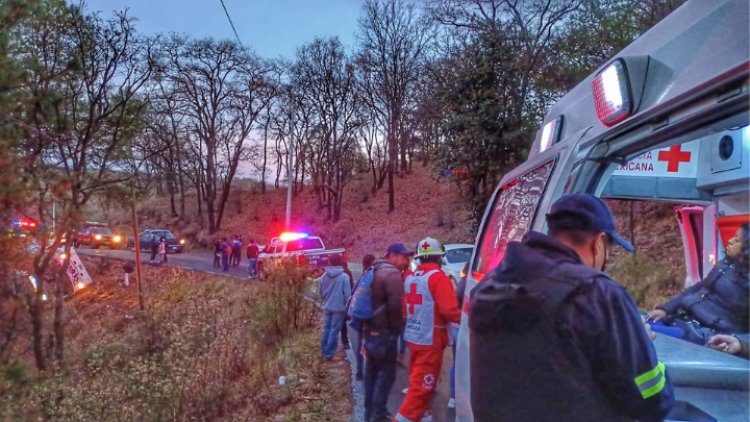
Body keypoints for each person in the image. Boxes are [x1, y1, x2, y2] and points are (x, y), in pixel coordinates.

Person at [469, 194, 674, 422]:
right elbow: (653, 400)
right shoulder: (598, 293)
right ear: (598, 243)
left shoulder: (492, 284)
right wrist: (641, 342)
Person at [648, 223, 749, 345]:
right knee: (634, 323)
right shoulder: (726, 263)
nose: (731, 241)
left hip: (702, 334)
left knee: (640, 333)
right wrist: (667, 308)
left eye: (737, 240)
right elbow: (700, 287)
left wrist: (740, 343)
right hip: (681, 319)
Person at [395, 237, 460, 422]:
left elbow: (404, 309)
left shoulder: (411, 278)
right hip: (430, 341)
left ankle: (425, 416)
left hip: (414, 337)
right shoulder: (438, 278)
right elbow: (449, 311)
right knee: (420, 390)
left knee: (420, 384)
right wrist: (468, 318)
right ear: (438, 257)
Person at [364, 243, 414, 422]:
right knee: (387, 374)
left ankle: (368, 413)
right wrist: (395, 331)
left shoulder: (374, 268)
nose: (406, 261)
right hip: (384, 334)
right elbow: (395, 306)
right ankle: (378, 415)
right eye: (403, 256)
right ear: (392, 255)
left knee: (371, 374)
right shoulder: (392, 274)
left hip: (370, 332)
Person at [318, 254, 352, 361]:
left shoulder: (324, 276)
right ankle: (329, 355)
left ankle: (324, 351)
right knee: (334, 331)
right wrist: (347, 307)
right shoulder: (344, 277)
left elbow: (321, 292)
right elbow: (347, 295)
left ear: (329, 261)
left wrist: (326, 300)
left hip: (327, 306)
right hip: (339, 308)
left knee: (327, 329)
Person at [350, 254, 376, 380]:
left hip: (357, 315)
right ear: (372, 262)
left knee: (360, 342)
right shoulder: (373, 274)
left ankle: (359, 370)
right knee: (370, 344)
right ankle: (370, 371)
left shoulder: (363, 275)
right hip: (368, 315)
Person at [341, 257, 354, 350]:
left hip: (338, 301)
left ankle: (345, 342)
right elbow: (351, 286)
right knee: (343, 323)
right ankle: (345, 342)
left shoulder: (344, 274)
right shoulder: (347, 273)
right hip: (345, 301)